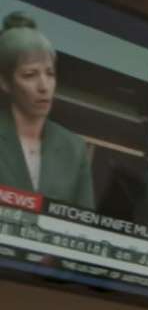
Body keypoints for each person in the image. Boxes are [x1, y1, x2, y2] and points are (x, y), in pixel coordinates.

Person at [0, 15, 97, 210]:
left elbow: (84, 222)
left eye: (50, 73)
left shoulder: (74, 149)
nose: (44, 86)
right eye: (30, 75)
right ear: (5, 82)